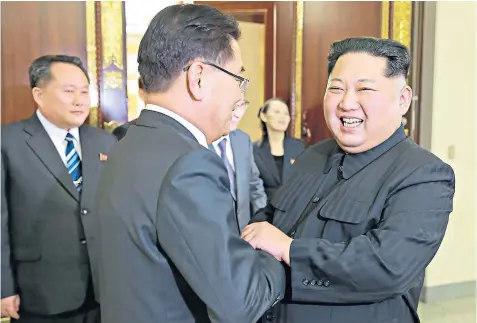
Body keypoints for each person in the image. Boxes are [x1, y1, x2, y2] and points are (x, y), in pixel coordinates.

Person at [242, 37, 455, 323]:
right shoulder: (312, 155)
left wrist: (288, 249)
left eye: (364, 88)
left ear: (402, 100)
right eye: (336, 88)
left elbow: (387, 266)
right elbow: (270, 219)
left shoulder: (425, 174)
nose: (346, 103)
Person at [96, 4, 285, 323]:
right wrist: (279, 251)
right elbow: (242, 300)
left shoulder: (131, 142)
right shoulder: (189, 162)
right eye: (239, 78)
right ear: (198, 77)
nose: (240, 96)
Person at [1, 55, 117, 322]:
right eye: (69, 91)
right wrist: (3, 287)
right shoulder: (8, 142)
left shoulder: (104, 142)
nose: (79, 100)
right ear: (39, 95)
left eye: (85, 92)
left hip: (102, 291)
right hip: (41, 292)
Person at [210, 99, 267, 230]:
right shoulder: (198, 140)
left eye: (242, 106)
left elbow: (254, 184)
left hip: (243, 231)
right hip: (212, 231)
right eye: (233, 106)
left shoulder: (242, 139)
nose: (238, 114)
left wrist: (263, 220)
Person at [253, 98, 305, 201]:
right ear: (264, 116)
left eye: (286, 113)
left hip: (294, 209)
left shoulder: (299, 147)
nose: (283, 117)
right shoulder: (252, 150)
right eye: (277, 112)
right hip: (264, 210)